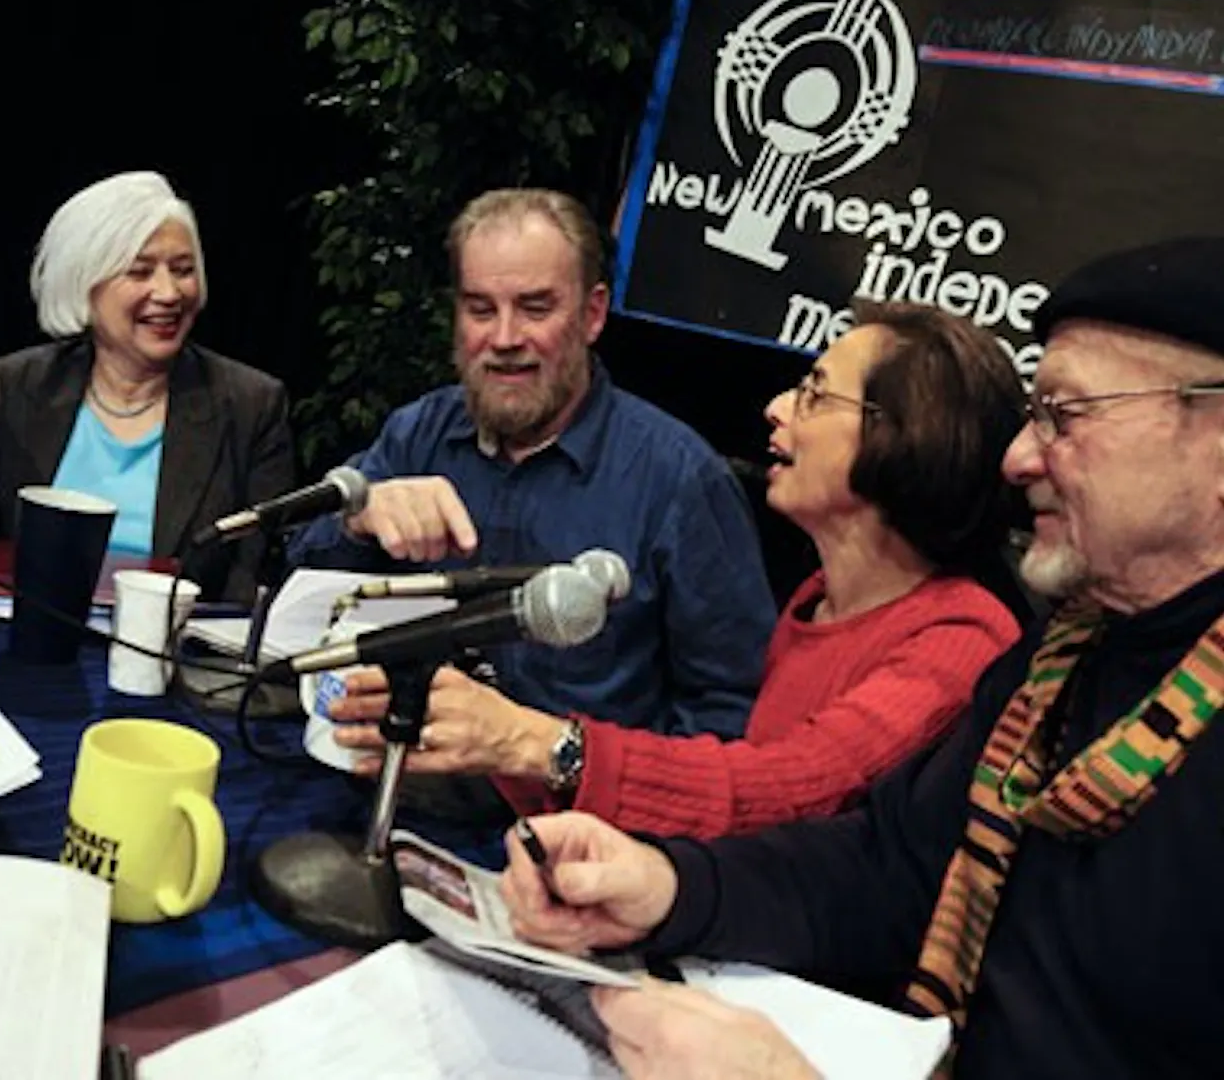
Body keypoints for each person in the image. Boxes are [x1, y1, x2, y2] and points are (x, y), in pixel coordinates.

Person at [499, 236, 1224, 1078]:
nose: (1020, 457)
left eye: (1066, 414)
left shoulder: (976, 639)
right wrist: (665, 884)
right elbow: (890, 863)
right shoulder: (1056, 662)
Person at [331, 301, 1025, 839]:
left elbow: (789, 790)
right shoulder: (817, 601)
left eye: (815, 393)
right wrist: (496, 747)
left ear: (907, 436)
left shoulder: (963, 636)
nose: (777, 408)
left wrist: (531, 741)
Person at [290, 188, 776, 747]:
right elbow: (299, 590)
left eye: (535, 309)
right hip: (391, 769)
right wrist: (356, 520)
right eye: (480, 310)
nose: (504, 339)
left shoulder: (679, 480)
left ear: (593, 314)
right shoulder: (420, 433)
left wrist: (583, 776)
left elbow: (730, 713)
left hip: (566, 795)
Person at [0, 172, 295, 603]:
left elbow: (253, 580)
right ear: (84, 284)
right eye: (140, 272)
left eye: (183, 270)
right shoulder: (9, 391)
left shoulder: (250, 406)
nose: (169, 293)